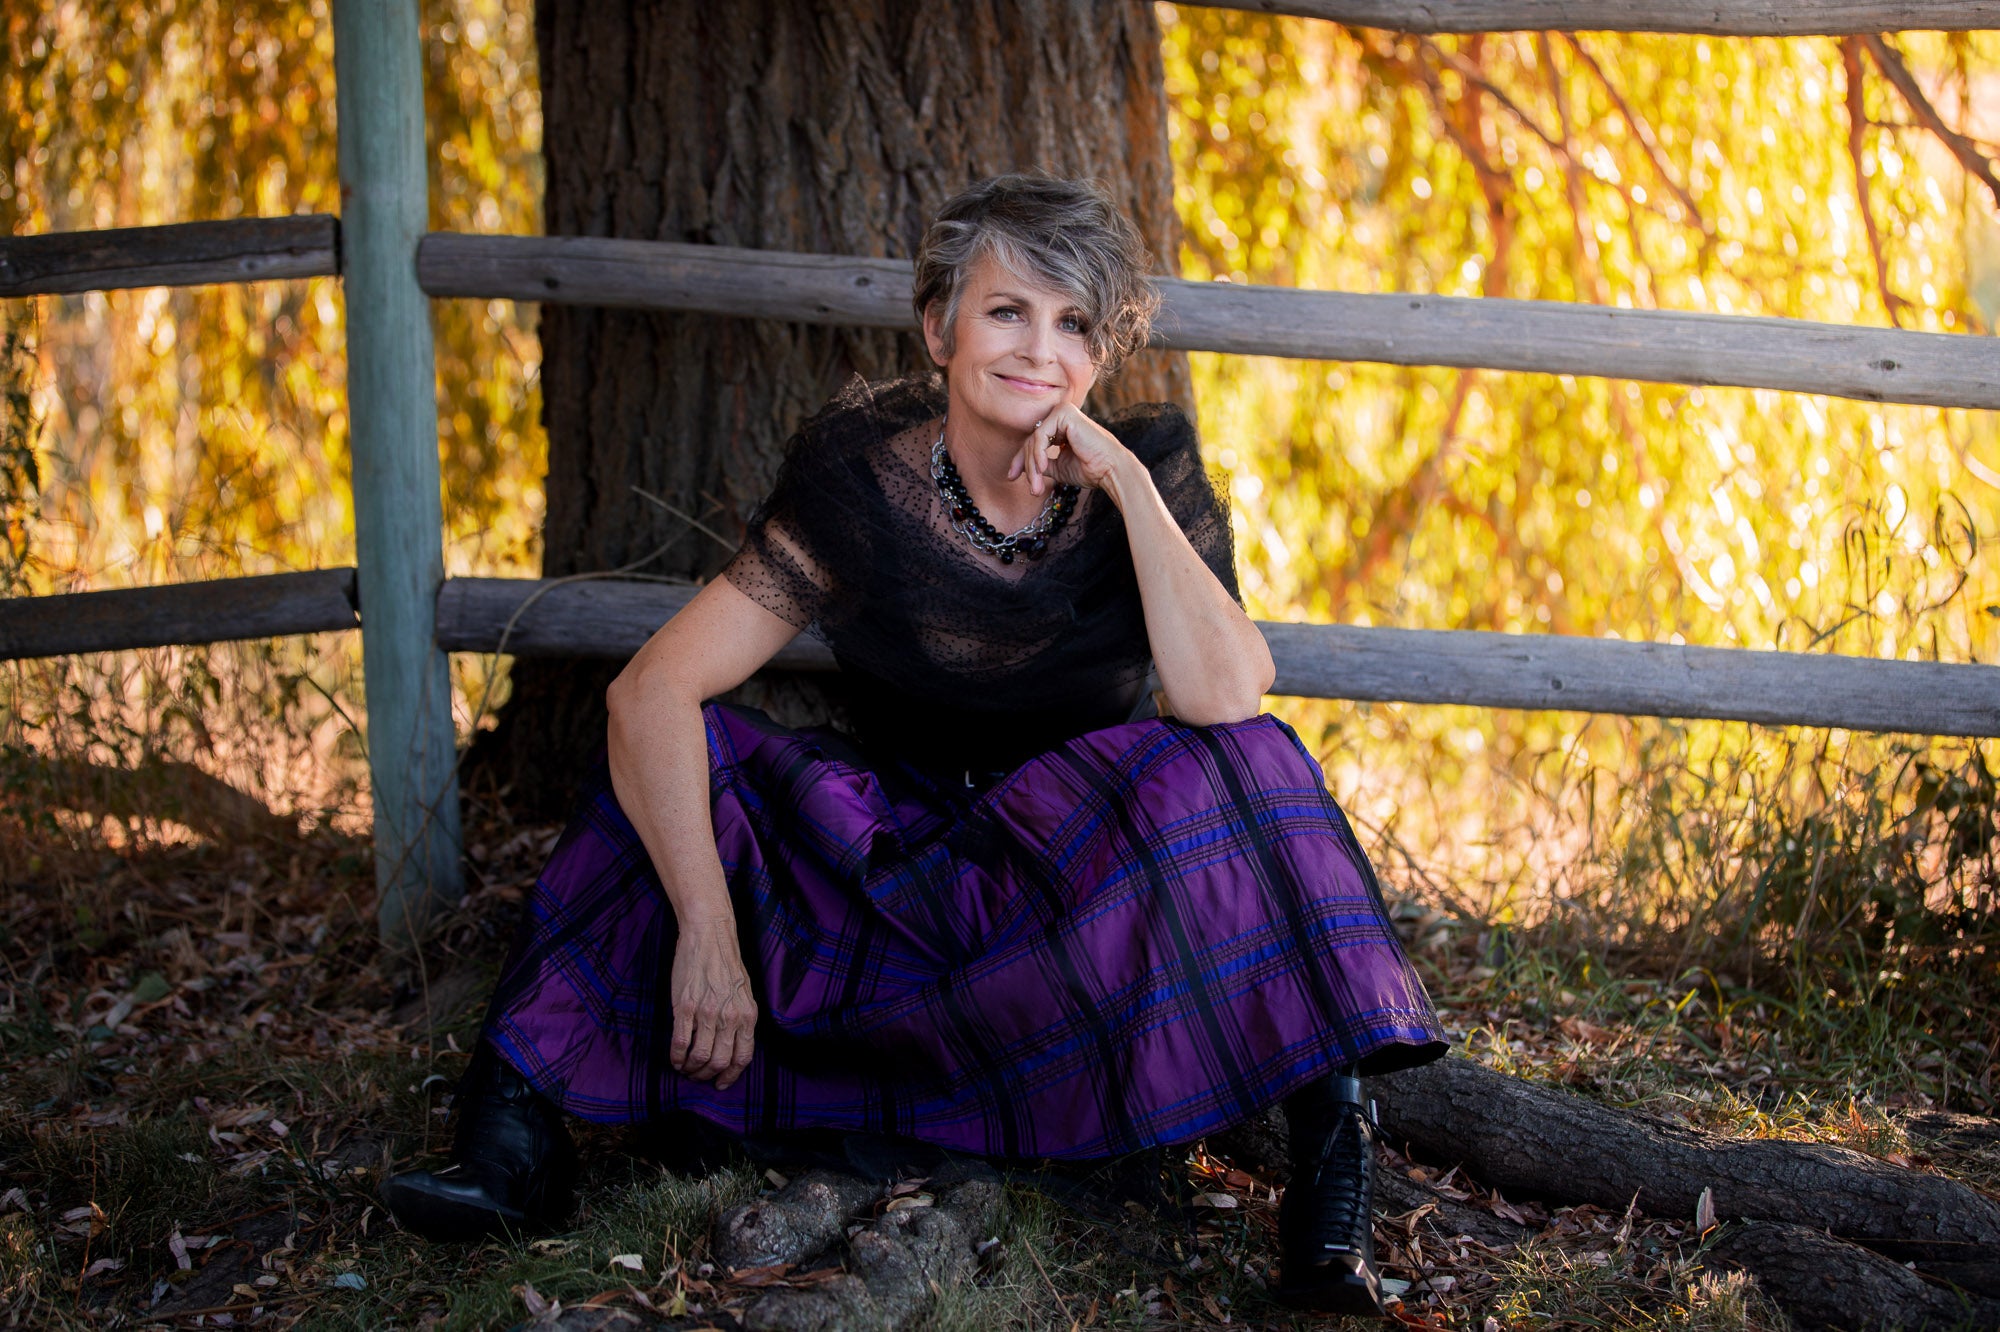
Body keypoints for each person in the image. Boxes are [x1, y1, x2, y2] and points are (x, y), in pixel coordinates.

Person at [383, 174, 1446, 1316]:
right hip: (895, 876)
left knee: (1253, 763)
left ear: (1099, 354)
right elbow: (650, 692)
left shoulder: (1148, 472)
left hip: (1073, 900)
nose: (1038, 349)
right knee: (688, 763)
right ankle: (509, 1149)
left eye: (1073, 323)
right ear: (937, 326)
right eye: (1006, 312)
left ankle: (1327, 1209)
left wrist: (1128, 485)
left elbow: (1225, 692)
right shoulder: (861, 484)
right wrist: (707, 934)